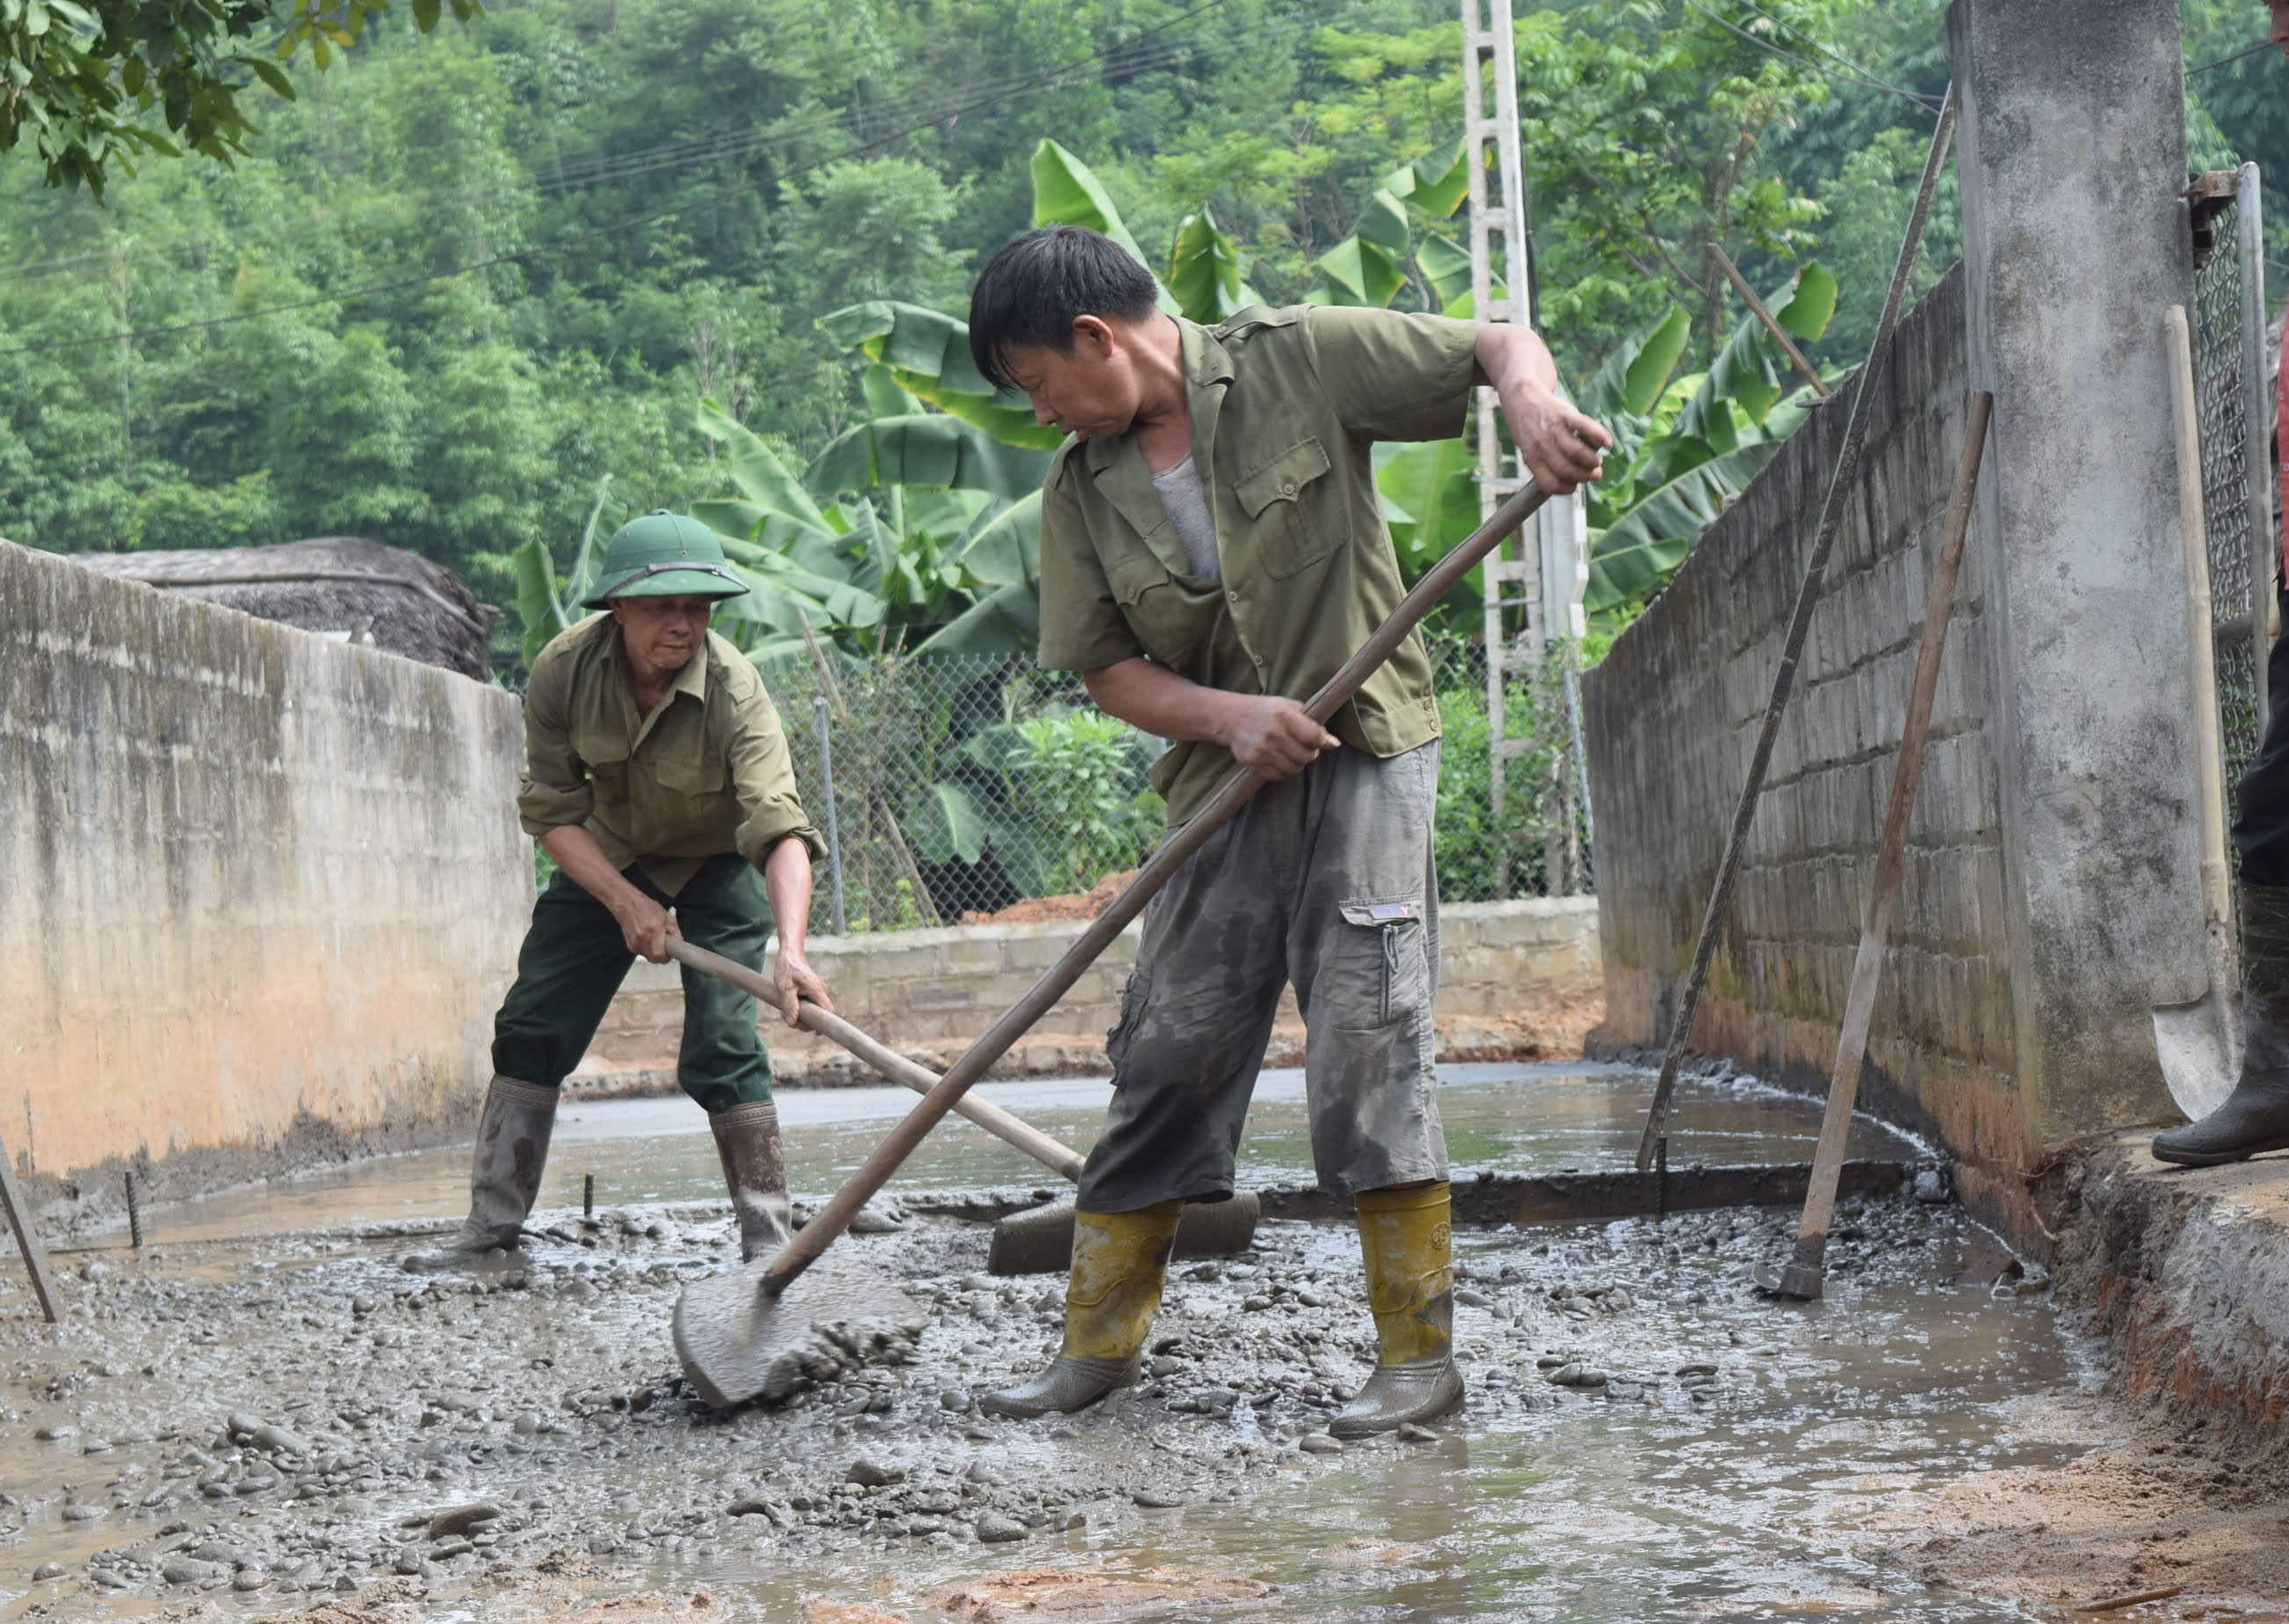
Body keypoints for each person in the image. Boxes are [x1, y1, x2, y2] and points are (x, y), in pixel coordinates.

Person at [962, 226, 1606, 1435]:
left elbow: (1494, 344)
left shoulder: (1296, 360)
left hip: (1367, 748)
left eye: (1040, 383)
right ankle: (1096, 1351)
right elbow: (1104, 668)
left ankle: (1419, 1364)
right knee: (1168, 1047)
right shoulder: (1080, 491)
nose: (1043, 413)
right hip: (1222, 779)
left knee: (1367, 1035)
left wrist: (1532, 406)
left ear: (1094, 340)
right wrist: (1234, 719)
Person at [407, 511, 836, 1269]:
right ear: (618, 609)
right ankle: (490, 1231)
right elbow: (551, 812)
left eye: (696, 609)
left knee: (724, 1047)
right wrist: (622, 900)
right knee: (532, 1024)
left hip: (716, 865)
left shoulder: (736, 689)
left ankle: (770, 1242)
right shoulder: (562, 671)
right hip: (604, 857)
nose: (683, 625)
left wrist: (792, 950)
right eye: (663, 607)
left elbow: (780, 831)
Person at [2157, 0, 2289, 1165]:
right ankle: (2288, 1070)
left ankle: (2284, 1074)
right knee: (2274, 812)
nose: (2279, 33)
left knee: (2269, 812)